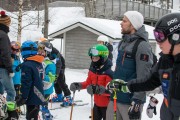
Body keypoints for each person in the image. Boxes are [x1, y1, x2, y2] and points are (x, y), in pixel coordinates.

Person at [111, 12, 180, 120]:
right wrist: (126, 86)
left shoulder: (142, 46)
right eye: (156, 35)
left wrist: (137, 101)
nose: (157, 42)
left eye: (160, 36)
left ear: (176, 37)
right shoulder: (165, 61)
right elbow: (148, 81)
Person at [106, 11, 154, 120]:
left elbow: (144, 77)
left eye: (124, 21)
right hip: (115, 97)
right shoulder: (123, 43)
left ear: (133, 24)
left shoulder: (142, 46)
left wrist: (137, 103)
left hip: (130, 102)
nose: (121, 23)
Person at [70, 44, 113, 120]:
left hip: (108, 106)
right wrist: (78, 85)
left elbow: (111, 91)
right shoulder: (92, 70)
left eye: (96, 58)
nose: (93, 60)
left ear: (103, 58)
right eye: (92, 58)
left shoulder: (109, 72)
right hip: (96, 104)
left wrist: (98, 89)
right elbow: (88, 83)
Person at [16, 40, 45, 120]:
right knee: (34, 115)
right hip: (39, 95)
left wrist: (23, 97)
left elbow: (26, 83)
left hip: (32, 96)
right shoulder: (39, 62)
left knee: (31, 116)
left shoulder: (27, 65)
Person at [0, 11, 17, 119]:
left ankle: (1, 111)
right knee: (11, 91)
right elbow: (5, 53)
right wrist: (10, 69)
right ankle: (9, 113)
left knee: (0, 92)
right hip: (2, 67)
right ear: (6, 24)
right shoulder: (3, 35)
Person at [38, 41, 56, 120]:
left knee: (43, 105)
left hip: (46, 89)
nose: (39, 53)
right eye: (39, 51)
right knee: (38, 104)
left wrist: (42, 77)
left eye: (42, 51)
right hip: (38, 88)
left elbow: (51, 78)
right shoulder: (38, 61)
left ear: (47, 52)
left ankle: (47, 116)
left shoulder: (50, 64)